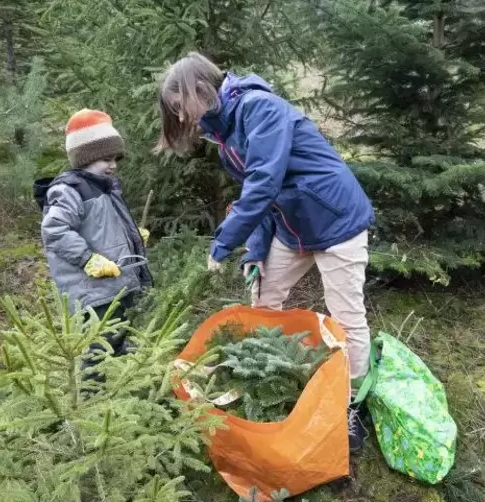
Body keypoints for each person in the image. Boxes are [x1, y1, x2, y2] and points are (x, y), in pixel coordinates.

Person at [155, 52, 375, 451]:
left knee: (347, 317)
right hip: (295, 228)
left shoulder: (262, 109)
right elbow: (259, 200)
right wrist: (254, 251)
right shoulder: (226, 141)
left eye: (180, 105)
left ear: (201, 90)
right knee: (262, 300)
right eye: (174, 110)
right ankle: (265, 377)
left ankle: (353, 403)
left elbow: (263, 185)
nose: (182, 117)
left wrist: (222, 244)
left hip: (336, 220)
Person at [39, 108, 152, 382]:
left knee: (118, 327)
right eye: (105, 158)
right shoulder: (69, 190)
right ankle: (92, 393)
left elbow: (102, 225)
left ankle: (119, 372)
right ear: (86, 158)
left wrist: (132, 235)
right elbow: (54, 229)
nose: (112, 164)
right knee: (98, 341)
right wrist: (88, 259)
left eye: (115, 158)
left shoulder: (104, 185)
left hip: (114, 281)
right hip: (91, 287)